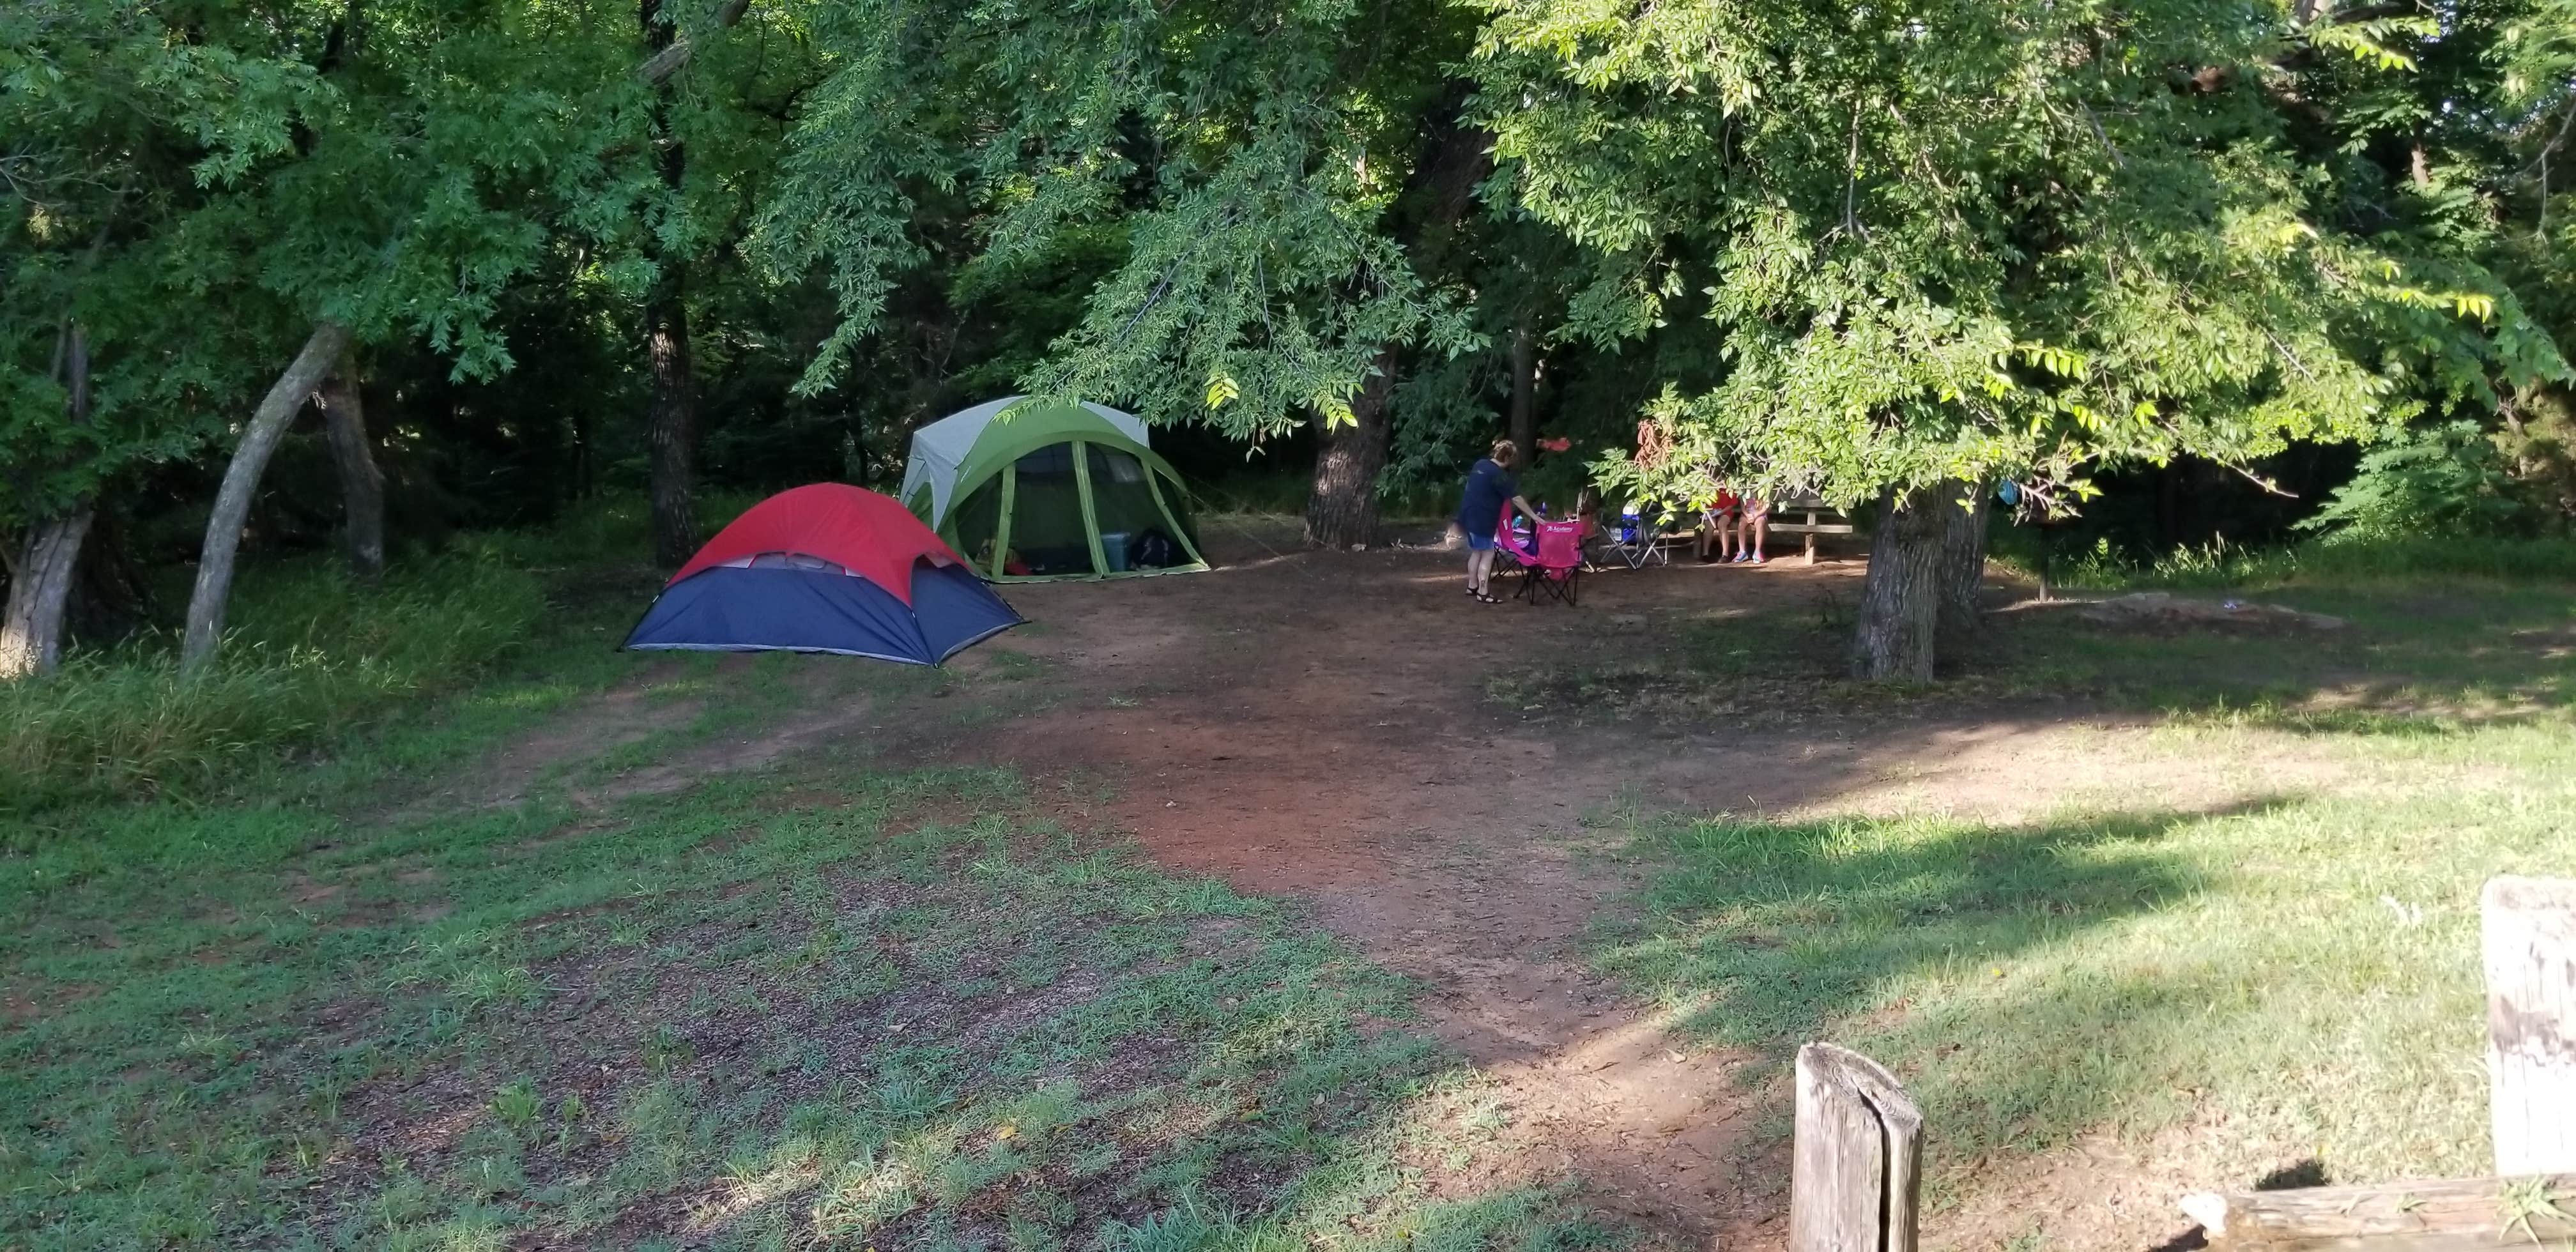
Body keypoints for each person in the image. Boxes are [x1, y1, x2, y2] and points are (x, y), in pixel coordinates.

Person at [1457, 439, 1540, 603]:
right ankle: (1483, 592)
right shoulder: (1500, 476)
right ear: (1508, 458)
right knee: (1488, 554)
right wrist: (1535, 517)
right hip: (1483, 519)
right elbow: (1516, 499)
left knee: (1476, 552)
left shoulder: (1480, 465)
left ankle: (1472, 586)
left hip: (1468, 515)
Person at [1697, 485, 1741, 563]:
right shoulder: (1708, 486)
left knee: (1722, 524)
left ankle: (1725, 554)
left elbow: (1732, 504)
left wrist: (1721, 512)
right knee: (1709, 526)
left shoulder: (1729, 487)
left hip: (1725, 511)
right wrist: (1709, 512)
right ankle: (1705, 554)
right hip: (1711, 511)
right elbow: (1703, 502)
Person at [1734, 494, 1771, 564]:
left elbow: (1766, 507)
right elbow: (1743, 506)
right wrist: (1747, 515)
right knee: (1741, 525)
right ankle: (1742, 551)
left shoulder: (1764, 490)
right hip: (1747, 514)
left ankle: (1757, 551)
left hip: (1760, 514)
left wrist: (1756, 515)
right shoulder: (1744, 491)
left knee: (1760, 525)